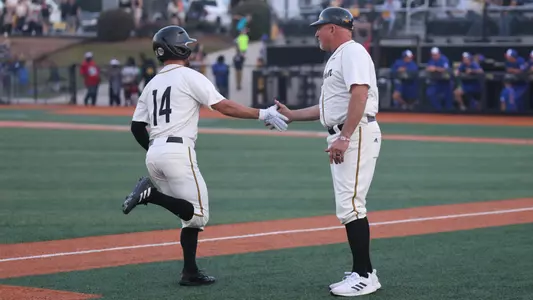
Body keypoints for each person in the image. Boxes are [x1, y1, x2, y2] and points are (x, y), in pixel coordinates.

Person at [122, 25, 288, 286]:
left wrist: (157, 149)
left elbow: (135, 127)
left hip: (154, 152)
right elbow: (224, 106)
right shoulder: (188, 76)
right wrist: (263, 113)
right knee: (198, 215)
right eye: (186, 45)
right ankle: (149, 195)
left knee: (188, 218)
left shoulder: (151, 83)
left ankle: (190, 272)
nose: (190, 48)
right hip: (178, 150)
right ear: (178, 48)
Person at [269, 7, 382, 297]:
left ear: (333, 28)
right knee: (348, 206)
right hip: (346, 132)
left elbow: (360, 94)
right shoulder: (339, 56)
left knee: (352, 205)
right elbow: (328, 109)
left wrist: (344, 137)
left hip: (354, 134)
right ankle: (361, 269)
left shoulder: (352, 52)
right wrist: (292, 115)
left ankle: (365, 275)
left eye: (319, 27)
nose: (316, 32)